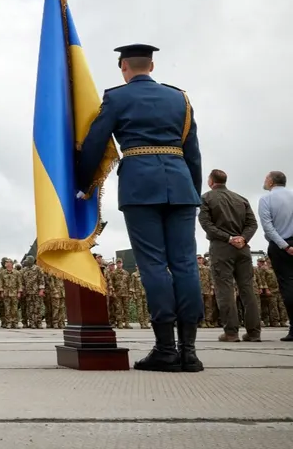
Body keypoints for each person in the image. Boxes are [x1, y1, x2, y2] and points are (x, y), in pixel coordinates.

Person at [76, 43, 203, 372]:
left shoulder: (117, 97)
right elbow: (193, 151)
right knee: (186, 264)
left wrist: (84, 182)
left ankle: (165, 350)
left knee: (154, 265)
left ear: (124, 67)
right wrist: (193, 191)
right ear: (152, 66)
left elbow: (95, 141)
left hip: (139, 185)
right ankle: (189, 352)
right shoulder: (180, 99)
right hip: (181, 185)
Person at [197, 169, 261, 342]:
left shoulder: (206, 198)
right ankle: (254, 332)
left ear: (211, 181)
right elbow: (252, 224)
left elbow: (206, 224)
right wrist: (243, 238)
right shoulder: (241, 199)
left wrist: (228, 238)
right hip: (243, 248)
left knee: (224, 289)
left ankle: (231, 332)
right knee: (247, 289)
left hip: (221, 247)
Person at [257, 171, 293, 341]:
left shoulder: (266, 199)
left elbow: (268, 227)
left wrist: (285, 245)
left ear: (271, 182)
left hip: (280, 246)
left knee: (287, 285)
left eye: (266, 178)